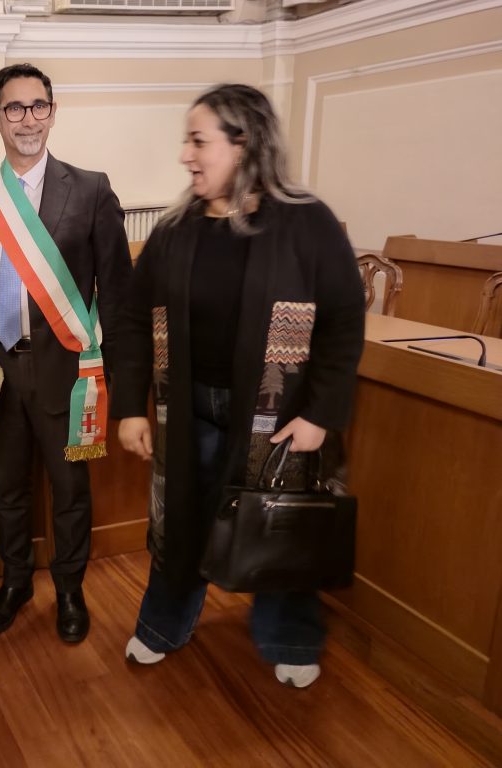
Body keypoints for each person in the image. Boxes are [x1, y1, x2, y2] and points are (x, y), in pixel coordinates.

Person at [111, 83, 365, 688]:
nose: (186, 155)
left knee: (279, 524)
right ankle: (164, 625)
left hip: (280, 414)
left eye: (198, 141)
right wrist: (130, 407)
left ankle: (290, 636)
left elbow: (343, 321)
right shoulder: (175, 230)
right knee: (180, 523)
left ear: (244, 142)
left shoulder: (307, 222)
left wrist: (321, 414)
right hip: (188, 410)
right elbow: (132, 318)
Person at [0, 63, 132, 644]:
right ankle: (16, 583)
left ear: (53, 112)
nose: (28, 119)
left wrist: (122, 383)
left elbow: (118, 294)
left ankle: (70, 589)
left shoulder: (92, 188)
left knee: (69, 490)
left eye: (38, 106)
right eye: (14, 108)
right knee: (7, 490)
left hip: (67, 372)